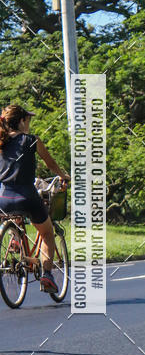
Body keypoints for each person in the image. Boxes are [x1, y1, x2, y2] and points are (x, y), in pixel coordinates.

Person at [0, 105, 70, 293]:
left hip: (3, 198)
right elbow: (51, 163)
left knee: (11, 214)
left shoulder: (1, 142)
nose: (29, 123)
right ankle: (47, 276)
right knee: (47, 232)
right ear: (22, 121)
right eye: (28, 120)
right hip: (26, 196)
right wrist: (64, 176)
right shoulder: (31, 141)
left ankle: (15, 238)